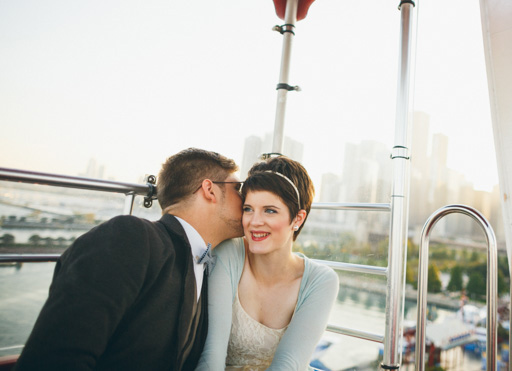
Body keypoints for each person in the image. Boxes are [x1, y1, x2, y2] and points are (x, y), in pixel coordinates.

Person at [15, 148, 244, 371]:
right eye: (238, 188)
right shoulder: (130, 236)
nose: (245, 199)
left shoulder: (209, 268)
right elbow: (55, 357)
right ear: (209, 190)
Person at [196, 156, 339, 371]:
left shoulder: (321, 280)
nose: (254, 222)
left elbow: (288, 365)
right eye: (248, 209)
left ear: (298, 219)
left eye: (270, 210)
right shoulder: (229, 252)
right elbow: (211, 356)